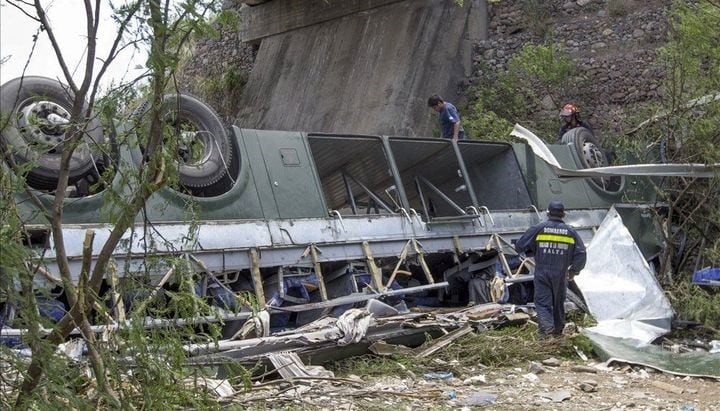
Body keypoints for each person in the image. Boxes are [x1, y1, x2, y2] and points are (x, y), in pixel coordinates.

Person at [514, 200, 587, 338]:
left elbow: (519, 246)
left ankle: (547, 333)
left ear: (548, 213)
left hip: (542, 271)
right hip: (561, 273)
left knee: (542, 303)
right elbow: (581, 253)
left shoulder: (538, 228)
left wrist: (532, 250)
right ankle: (558, 331)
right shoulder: (571, 232)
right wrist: (573, 271)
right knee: (558, 303)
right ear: (563, 214)